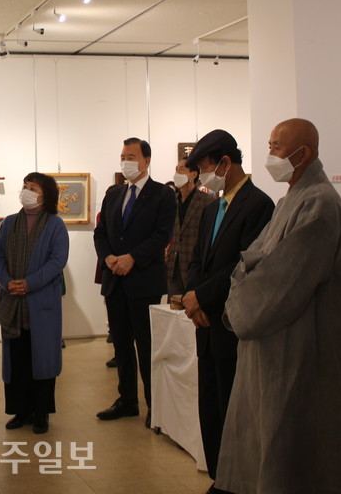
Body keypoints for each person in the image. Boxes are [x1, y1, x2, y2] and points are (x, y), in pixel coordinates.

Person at [217, 119, 341, 494]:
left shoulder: (320, 203)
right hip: (274, 347)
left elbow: (281, 281)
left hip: (302, 350)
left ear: (304, 154)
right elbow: (248, 261)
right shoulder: (290, 201)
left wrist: (239, 298)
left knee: (299, 457)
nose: (270, 154)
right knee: (272, 447)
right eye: (270, 145)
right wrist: (243, 285)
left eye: (277, 147)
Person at [183, 130, 274, 491]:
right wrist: (193, 298)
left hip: (232, 322)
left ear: (225, 162)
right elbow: (196, 260)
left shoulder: (258, 205)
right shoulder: (212, 208)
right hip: (205, 322)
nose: (202, 177)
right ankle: (220, 478)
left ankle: (238, 480)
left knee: (236, 409)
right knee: (211, 406)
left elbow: (244, 264)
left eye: (205, 168)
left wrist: (202, 298)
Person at [94, 137, 175, 428]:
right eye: (123, 156)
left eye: (131, 157)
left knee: (147, 346)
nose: (126, 162)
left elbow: (162, 235)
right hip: (115, 280)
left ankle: (155, 406)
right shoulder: (114, 194)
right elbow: (101, 232)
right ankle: (127, 400)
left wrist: (132, 258)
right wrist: (108, 258)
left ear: (146, 161)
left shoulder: (162, 195)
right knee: (121, 346)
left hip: (144, 281)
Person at [0, 172, 69, 434]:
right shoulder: (9, 223)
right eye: (25, 186)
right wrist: (6, 281)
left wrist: (30, 283)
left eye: (33, 187)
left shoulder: (55, 225)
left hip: (41, 302)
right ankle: (20, 411)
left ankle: (41, 413)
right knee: (17, 357)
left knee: (42, 357)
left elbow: (57, 261)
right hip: (12, 300)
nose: (27, 191)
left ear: (46, 194)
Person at [166, 157, 216, 302]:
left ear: (193, 174)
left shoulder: (207, 202)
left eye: (181, 170)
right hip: (174, 265)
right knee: (173, 309)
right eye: (176, 170)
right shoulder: (172, 201)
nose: (177, 174)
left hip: (196, 266)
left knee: (193, 308)